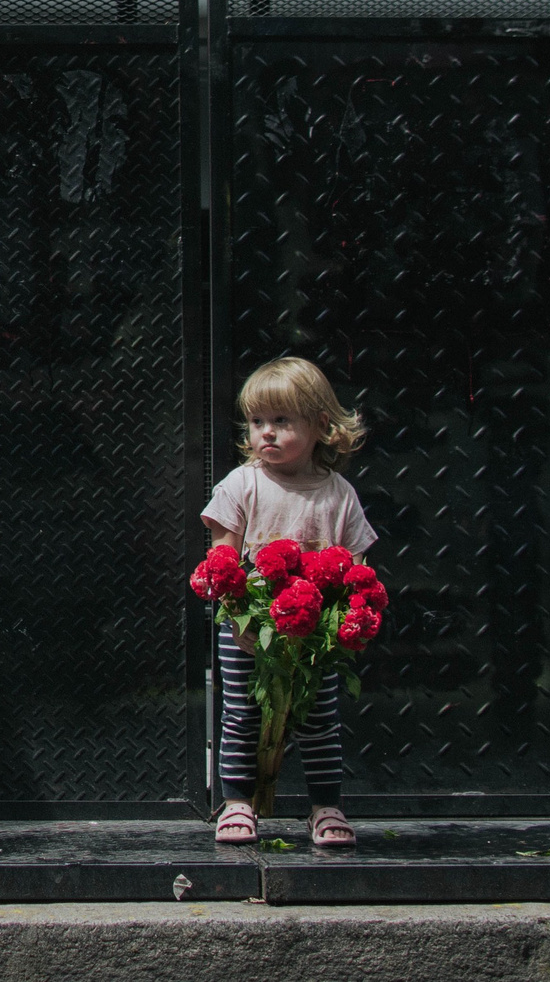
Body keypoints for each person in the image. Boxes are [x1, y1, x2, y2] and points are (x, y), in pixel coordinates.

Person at [202, 356, 377, 849]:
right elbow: (223, 563)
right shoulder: (243, 484)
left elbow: (358, 570)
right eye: (257, 422)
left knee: (318, 718)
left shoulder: (338, 495)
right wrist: (240, 617)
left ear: (322, 425)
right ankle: (235, 802)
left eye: (282, 421)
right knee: (241, 713)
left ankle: (324, 806)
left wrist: (348, 620)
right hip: (248, 628)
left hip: (313, 633)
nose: (267, 433)